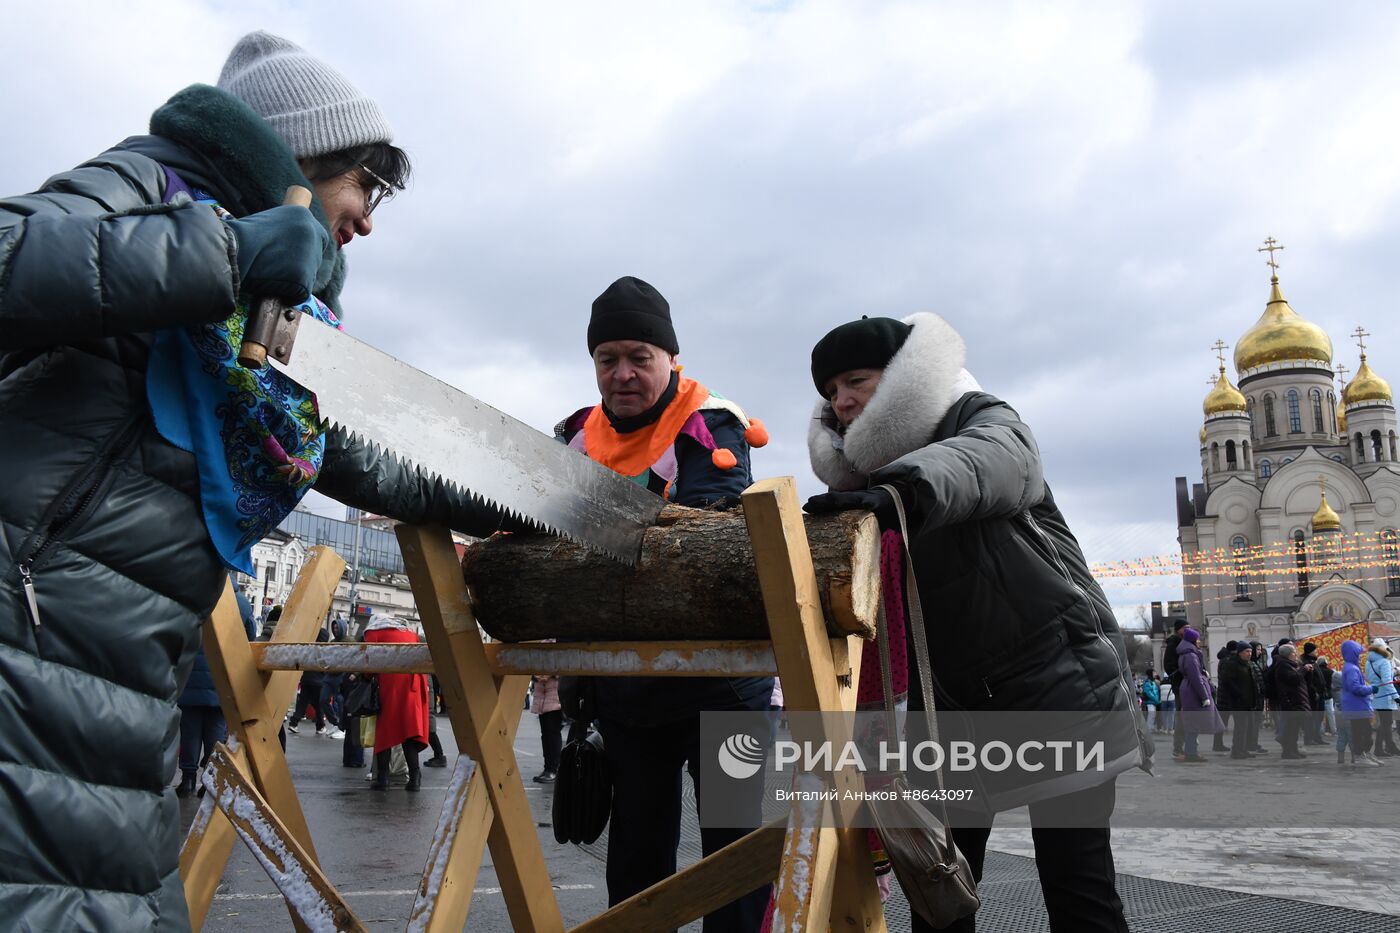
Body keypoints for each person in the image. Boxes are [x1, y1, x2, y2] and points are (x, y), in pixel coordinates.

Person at [0, 31, 512, 928]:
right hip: (28, 645)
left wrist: (542, 502)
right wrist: (225, 255)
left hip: (125, 688)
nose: (368, 219)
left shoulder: (280, 323)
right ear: (300, 157)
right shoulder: (150, 186)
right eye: (365, 184)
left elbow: (369, 455)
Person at [804, 313, 1148, 933]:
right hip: (952, 708)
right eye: (831, 392)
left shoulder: (981, 419)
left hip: (1058, 686)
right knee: (938, 890)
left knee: (1078, 888)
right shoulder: (868, 487)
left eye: (856, 380)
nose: (842, 401)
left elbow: (995, 461)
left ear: (907, 377)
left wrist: (901, 494)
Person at [556, 276, 772, 931]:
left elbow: (702, 530)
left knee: (733, 863)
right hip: (628, 689)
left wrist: (591, 535)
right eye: (607, 359)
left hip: (726, 684)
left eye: (639, 357)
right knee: (636, 866)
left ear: (669, 358)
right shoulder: (573, 435)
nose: (622, 374)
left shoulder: (711, 423)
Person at [364, 615, 431, 791]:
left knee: (385, 730)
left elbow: (368, 660)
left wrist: (362, 676)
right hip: (415, 682)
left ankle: (383, 779)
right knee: (409, 732)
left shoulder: (373, 632)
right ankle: (415, 779)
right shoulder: (408, 630)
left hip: (392, 682)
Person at [1175, 627, 1223, 762]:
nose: (1199, 641)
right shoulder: (1191, 655)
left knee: (1192, 722)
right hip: (1193, 691)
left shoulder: (1186, 653)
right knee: (1193, 723)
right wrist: (1204, 696)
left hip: (1189, 689)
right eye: (1197, 638)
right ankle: (1191, 752)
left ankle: (1191, 751)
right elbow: (1195, 676)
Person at [1340, 639, 1383, 767]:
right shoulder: (1352, 668)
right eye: (1357, 653)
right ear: (1352, 654)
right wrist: (1371, 688)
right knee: (1362, 733)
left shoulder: (1351, 667)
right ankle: (1360, 756)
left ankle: (1364, 754)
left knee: (1364, 731)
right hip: (1356, 706)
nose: (1360, 656)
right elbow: (1355, 688)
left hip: (1357, 705)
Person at [287, 627, 334, 735]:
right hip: (318, 682)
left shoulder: (309, 648)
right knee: (318, 705)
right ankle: (320, 726)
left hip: (306, 679)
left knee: (302, 703)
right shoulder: (324, 651)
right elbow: (325, 666)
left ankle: (293, 723)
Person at [1217, 642, 1258, 759]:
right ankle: (1237, 750)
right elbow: (1227, 681)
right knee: (1241, 727)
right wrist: (1238, 694)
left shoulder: (1246, 664)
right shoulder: (1232, 664)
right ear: (1240, 652)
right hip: (1238, 702)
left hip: (1248, 701)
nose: (1249, 654)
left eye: (1250, 651)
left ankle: (1243, 749)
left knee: (1246, 727)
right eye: (1247, 651)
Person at [1273, 644, 1311, 759]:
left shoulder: (1291, 665)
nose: (1296, 654)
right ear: (1288, 654)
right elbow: (1293, 679)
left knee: (1294, 728)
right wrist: (1303, 670)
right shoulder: (1283, 666)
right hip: (1291, 701)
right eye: (1294, 652)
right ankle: (1288, 751)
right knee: (1291, 728)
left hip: (1296, 700)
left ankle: (1293, 750)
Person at [1366, 638, 1398, 757]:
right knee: (1386, 722)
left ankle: (1388, 746)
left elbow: (1370, 678)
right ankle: (1380, 748)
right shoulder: (1384, 661)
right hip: (1385, 695)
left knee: (1385, 722)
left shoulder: (1368, 661)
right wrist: (1396, 697)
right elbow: (1387, 681)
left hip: (1376, 694)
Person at [1162, 619, 1188, 759]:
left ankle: (1188, 746)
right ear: (1179, 629)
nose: (1188, 630)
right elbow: (1169, 665)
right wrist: (1181, 672)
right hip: (1181, 684)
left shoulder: (1185, 642)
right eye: (1185, 627)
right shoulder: (1174, 643)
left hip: (1185, 684)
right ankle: (1178, 747)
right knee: (1182, 716)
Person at [531, 674, 563, 783]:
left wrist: (548, 674)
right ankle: (548, 768)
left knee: (552, 733)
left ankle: (553, 769)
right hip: (542, 697)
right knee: (545, 734)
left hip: (555, 696)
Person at [1300, 642, 1326, 744]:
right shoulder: (1306, 663)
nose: (1316, 652)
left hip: (1320, 693)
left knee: (1319, 717)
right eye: (1315, 650)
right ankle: (1309, 738)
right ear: (1310, 651)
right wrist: (1314, 691)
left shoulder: (1314, 662)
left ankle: (1317, 737)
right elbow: (1309, 681)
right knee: (1312, 718)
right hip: (1313, 695)